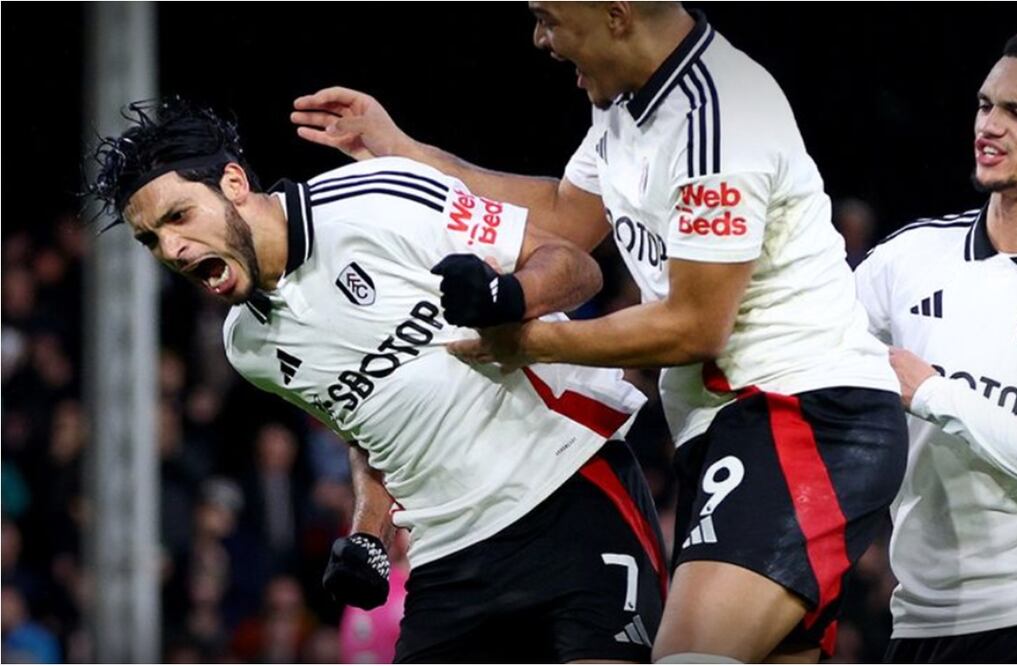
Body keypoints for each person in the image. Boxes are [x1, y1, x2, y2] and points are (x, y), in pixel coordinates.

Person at [291, 2, 907, 661]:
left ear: (615, 14)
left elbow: (695, 326)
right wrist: (403, 153)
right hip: (733, 430)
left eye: (548, 18)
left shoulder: (717, 119)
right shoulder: (630, 104)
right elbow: (564, 217)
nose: (540, 40)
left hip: (800, 418)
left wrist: (531, 344)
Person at [87, 99, 668, 663]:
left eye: (178, 217)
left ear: (235, 184)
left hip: (569, 488)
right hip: (447, 558)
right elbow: (372, 435)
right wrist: (369, 533)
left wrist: (505, 296)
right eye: (150, 240)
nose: (171, 249)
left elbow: (576, 265)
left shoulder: (377, 197)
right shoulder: (248, 347)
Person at [854, 28, 1017, 663]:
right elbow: (807, 363)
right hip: (917, 620)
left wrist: (932, 393)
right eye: (985, 105)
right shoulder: (909, 258)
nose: (990, 125)